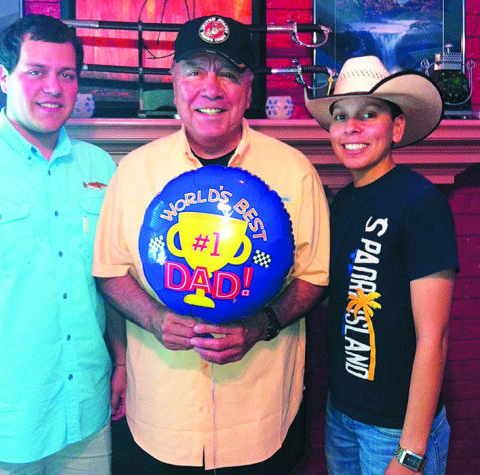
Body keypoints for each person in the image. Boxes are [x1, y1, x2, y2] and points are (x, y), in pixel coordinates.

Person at [93, 15, 330, 473]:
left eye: (227, 72)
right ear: (175, 82)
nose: (211, 87)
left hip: (259, 423)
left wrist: (261, 325)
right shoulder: (135, 171)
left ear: (247, 87)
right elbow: (109, 270)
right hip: (163, 423)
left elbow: (315, 277)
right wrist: (155, 317)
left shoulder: (294, 171)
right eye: (194, 70)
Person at [0, 14, 117, 474]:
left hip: (87, 410)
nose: (53, 87)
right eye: (36, 71)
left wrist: (122, 362)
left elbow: (111, 281)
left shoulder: (102, 168)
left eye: (66, 74)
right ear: (4, 76)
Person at [304, 56, 459, 474]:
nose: (350, 128)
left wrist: (410, 453)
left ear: (397, 127)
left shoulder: (420, 202)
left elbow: (435, 337)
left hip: (395, 428)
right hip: (343, 415)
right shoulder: (340, 203)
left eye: (368, 114)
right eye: (340, 116)